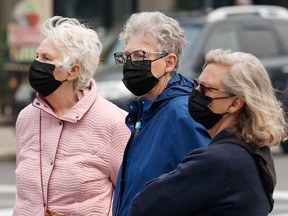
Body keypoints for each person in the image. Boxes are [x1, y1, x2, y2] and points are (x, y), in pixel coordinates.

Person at [130, 49, 288, 216]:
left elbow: (142, 207)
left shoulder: (220, 160)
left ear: (234, 103)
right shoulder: (255, 153)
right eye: (197, 83)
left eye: (205, 88)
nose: (196, 92)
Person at [13, 16, 130, 216]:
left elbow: (128, 198)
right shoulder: (26, 118)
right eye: (37, 56)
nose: (37, 64)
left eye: (47, 59)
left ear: (73, 71)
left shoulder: (115, 123)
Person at [112, 11, 211, 216]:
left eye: (140, 55)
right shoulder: (145, 111)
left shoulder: (182, 114)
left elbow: (207, 189)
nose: (130, 64)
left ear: (169, 62)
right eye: (126, 56)